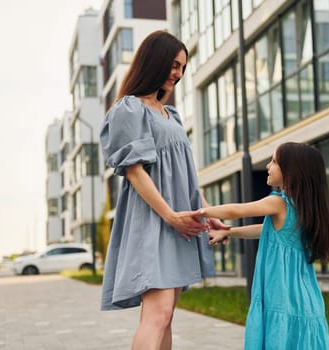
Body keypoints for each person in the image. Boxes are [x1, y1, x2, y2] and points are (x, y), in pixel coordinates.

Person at [99, 30, 228, 350]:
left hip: (179, 224)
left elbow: (185, 177)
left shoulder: (170, 114)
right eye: (173, 64)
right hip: (154, 221)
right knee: (157, 315)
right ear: (153, 60)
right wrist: (171, 217)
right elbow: (134, 171)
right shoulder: (129, 108)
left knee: (166, 315)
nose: (178, 73)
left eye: (182, 67)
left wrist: (207, 214)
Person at [198, 142, 329, 349]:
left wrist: (198, 212)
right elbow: (266, 231)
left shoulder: (279, 203)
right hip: (306, 298)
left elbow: (237, 210)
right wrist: (229, 232)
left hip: (281, 293)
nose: (268, 166)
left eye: (274, 162)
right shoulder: (303, 208)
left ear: (292, 171)